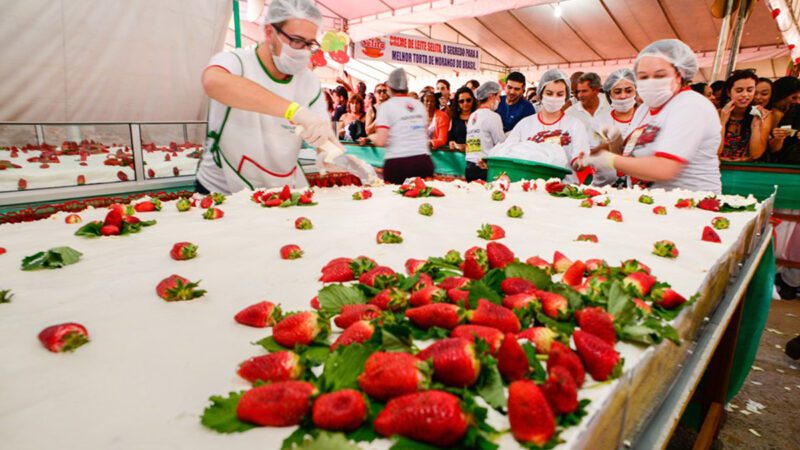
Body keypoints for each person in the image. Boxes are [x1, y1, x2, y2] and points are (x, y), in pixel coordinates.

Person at [197, 0, 373, 194]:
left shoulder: (308, 83)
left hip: (281, 187)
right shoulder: (237, 61)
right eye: (297, 41)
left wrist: (335, 155)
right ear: (269, 32)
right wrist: (294, 111)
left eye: (310, 44)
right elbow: (213, 82)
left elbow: (320, 134)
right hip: (224, 188)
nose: (304, 51)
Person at [579, 39, 722, 193]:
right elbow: (628, 155)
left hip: (690, 202)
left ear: (679, 75)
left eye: (660, 75)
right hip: (651, 200)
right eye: (643, 77)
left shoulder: (690, 106)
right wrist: (616, 141)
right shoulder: (645, 109)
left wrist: (609, 160)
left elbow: (664, 168)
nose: (651, 82)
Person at [492, 69, 588, 183]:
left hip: (563, 190)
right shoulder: (525, 124)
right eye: (549, 93)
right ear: (540, 94)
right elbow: (506, 153)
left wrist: (580, 163)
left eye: (560, 94)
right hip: (529, 189)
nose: (554, 98)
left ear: (566, 96)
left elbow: (578, 160)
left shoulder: (575, 125)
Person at [370, 68, 434, 183]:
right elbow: (424, 135)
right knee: (422, 197)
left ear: (389, 88)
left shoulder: (386, 107)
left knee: (396, 199)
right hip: (423, 160)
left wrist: (371, 137)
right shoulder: (419, 105)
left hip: (398, 162)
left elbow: (381, 141)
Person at [588, 68, 638, 186]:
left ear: (636, 91)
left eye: (628, 90)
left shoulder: (645, 117)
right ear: (609, 94)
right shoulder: (599, 121)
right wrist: (608, 146)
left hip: (639, 189)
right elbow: (589, 153)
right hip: (604, 188)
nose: (623, 96)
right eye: (617, 91)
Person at [718, 70, 770, 162]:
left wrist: (755, 126)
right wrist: (722, 123)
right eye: (739, 90)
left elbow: (756, 154)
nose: (745, 95)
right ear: (729, 92)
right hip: (717, 168)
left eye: (750, 90)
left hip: (745, 170)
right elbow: (715, 152)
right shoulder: (717, 114)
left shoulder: (762, 115)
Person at [465, 82, 505, 181]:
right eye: (499, 96)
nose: (499, 100)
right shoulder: (493, 116)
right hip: (484, 167)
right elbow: (501, 143)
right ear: (491, 96)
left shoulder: (473, 115)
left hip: (469, 166)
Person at [448, 87, 477, 152]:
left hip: (477, 156)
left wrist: (464, 146)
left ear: (473, 100)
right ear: (457, 103)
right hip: (458, 158)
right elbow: (450, 139)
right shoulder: (454, 118)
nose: (465, 103)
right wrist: (454, 144)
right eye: (461, 101)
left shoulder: (479, 116)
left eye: (468, 100)